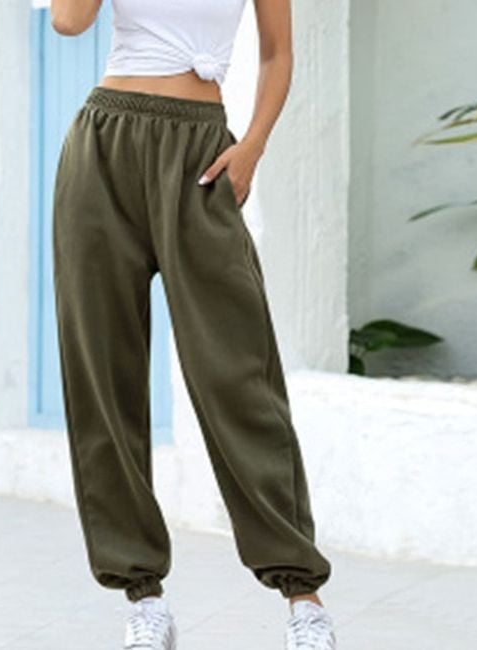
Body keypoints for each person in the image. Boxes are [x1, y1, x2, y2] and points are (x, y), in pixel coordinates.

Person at [50, 0, 337, 648]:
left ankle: (303, 597)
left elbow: (277, 54)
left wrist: (253, 146)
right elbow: (68, 22)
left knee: (238, 372)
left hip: (201, 152)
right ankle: (143, 596)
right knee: (104, 373)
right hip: (103, 146)